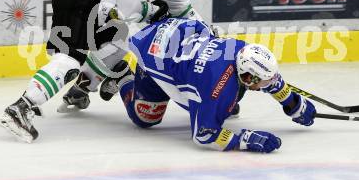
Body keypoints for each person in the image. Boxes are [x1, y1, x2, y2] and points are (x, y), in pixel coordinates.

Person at [0, 0, 202, 143]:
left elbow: (182, 8)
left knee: (121, 38)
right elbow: (129, 6)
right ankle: (19, 109)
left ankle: (82, 88)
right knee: (71, 58)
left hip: (90, 2)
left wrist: (205, 31)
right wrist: (154, 12)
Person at [109, 18, 316, 152]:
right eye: (263, 81)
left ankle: (214, 105)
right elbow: (203, 134)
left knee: (223, 103)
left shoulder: (242, 50)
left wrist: (293, 103)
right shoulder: (217, 88)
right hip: (154, 52)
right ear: (248, 77)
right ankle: (122, 75)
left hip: (177, 34)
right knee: (145, 118)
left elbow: (269, 79)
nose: (270, 84)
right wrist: (244, 140)